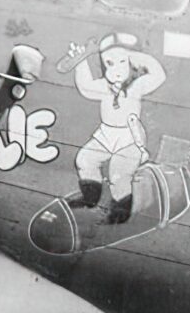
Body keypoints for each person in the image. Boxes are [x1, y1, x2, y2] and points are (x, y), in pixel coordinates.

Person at [67, 33, 166, 225]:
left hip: (129, 138)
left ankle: (121, 212)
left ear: (132, 63)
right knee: (85, 159)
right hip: (106, 134)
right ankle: (90, 197)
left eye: (122, 62)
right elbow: (86, 88)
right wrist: (81, 62)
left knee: (119, 175)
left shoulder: (136, 86)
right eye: (110, 63)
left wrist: (140, 58)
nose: (116, 69)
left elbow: (159, 76)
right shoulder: (105, 86)